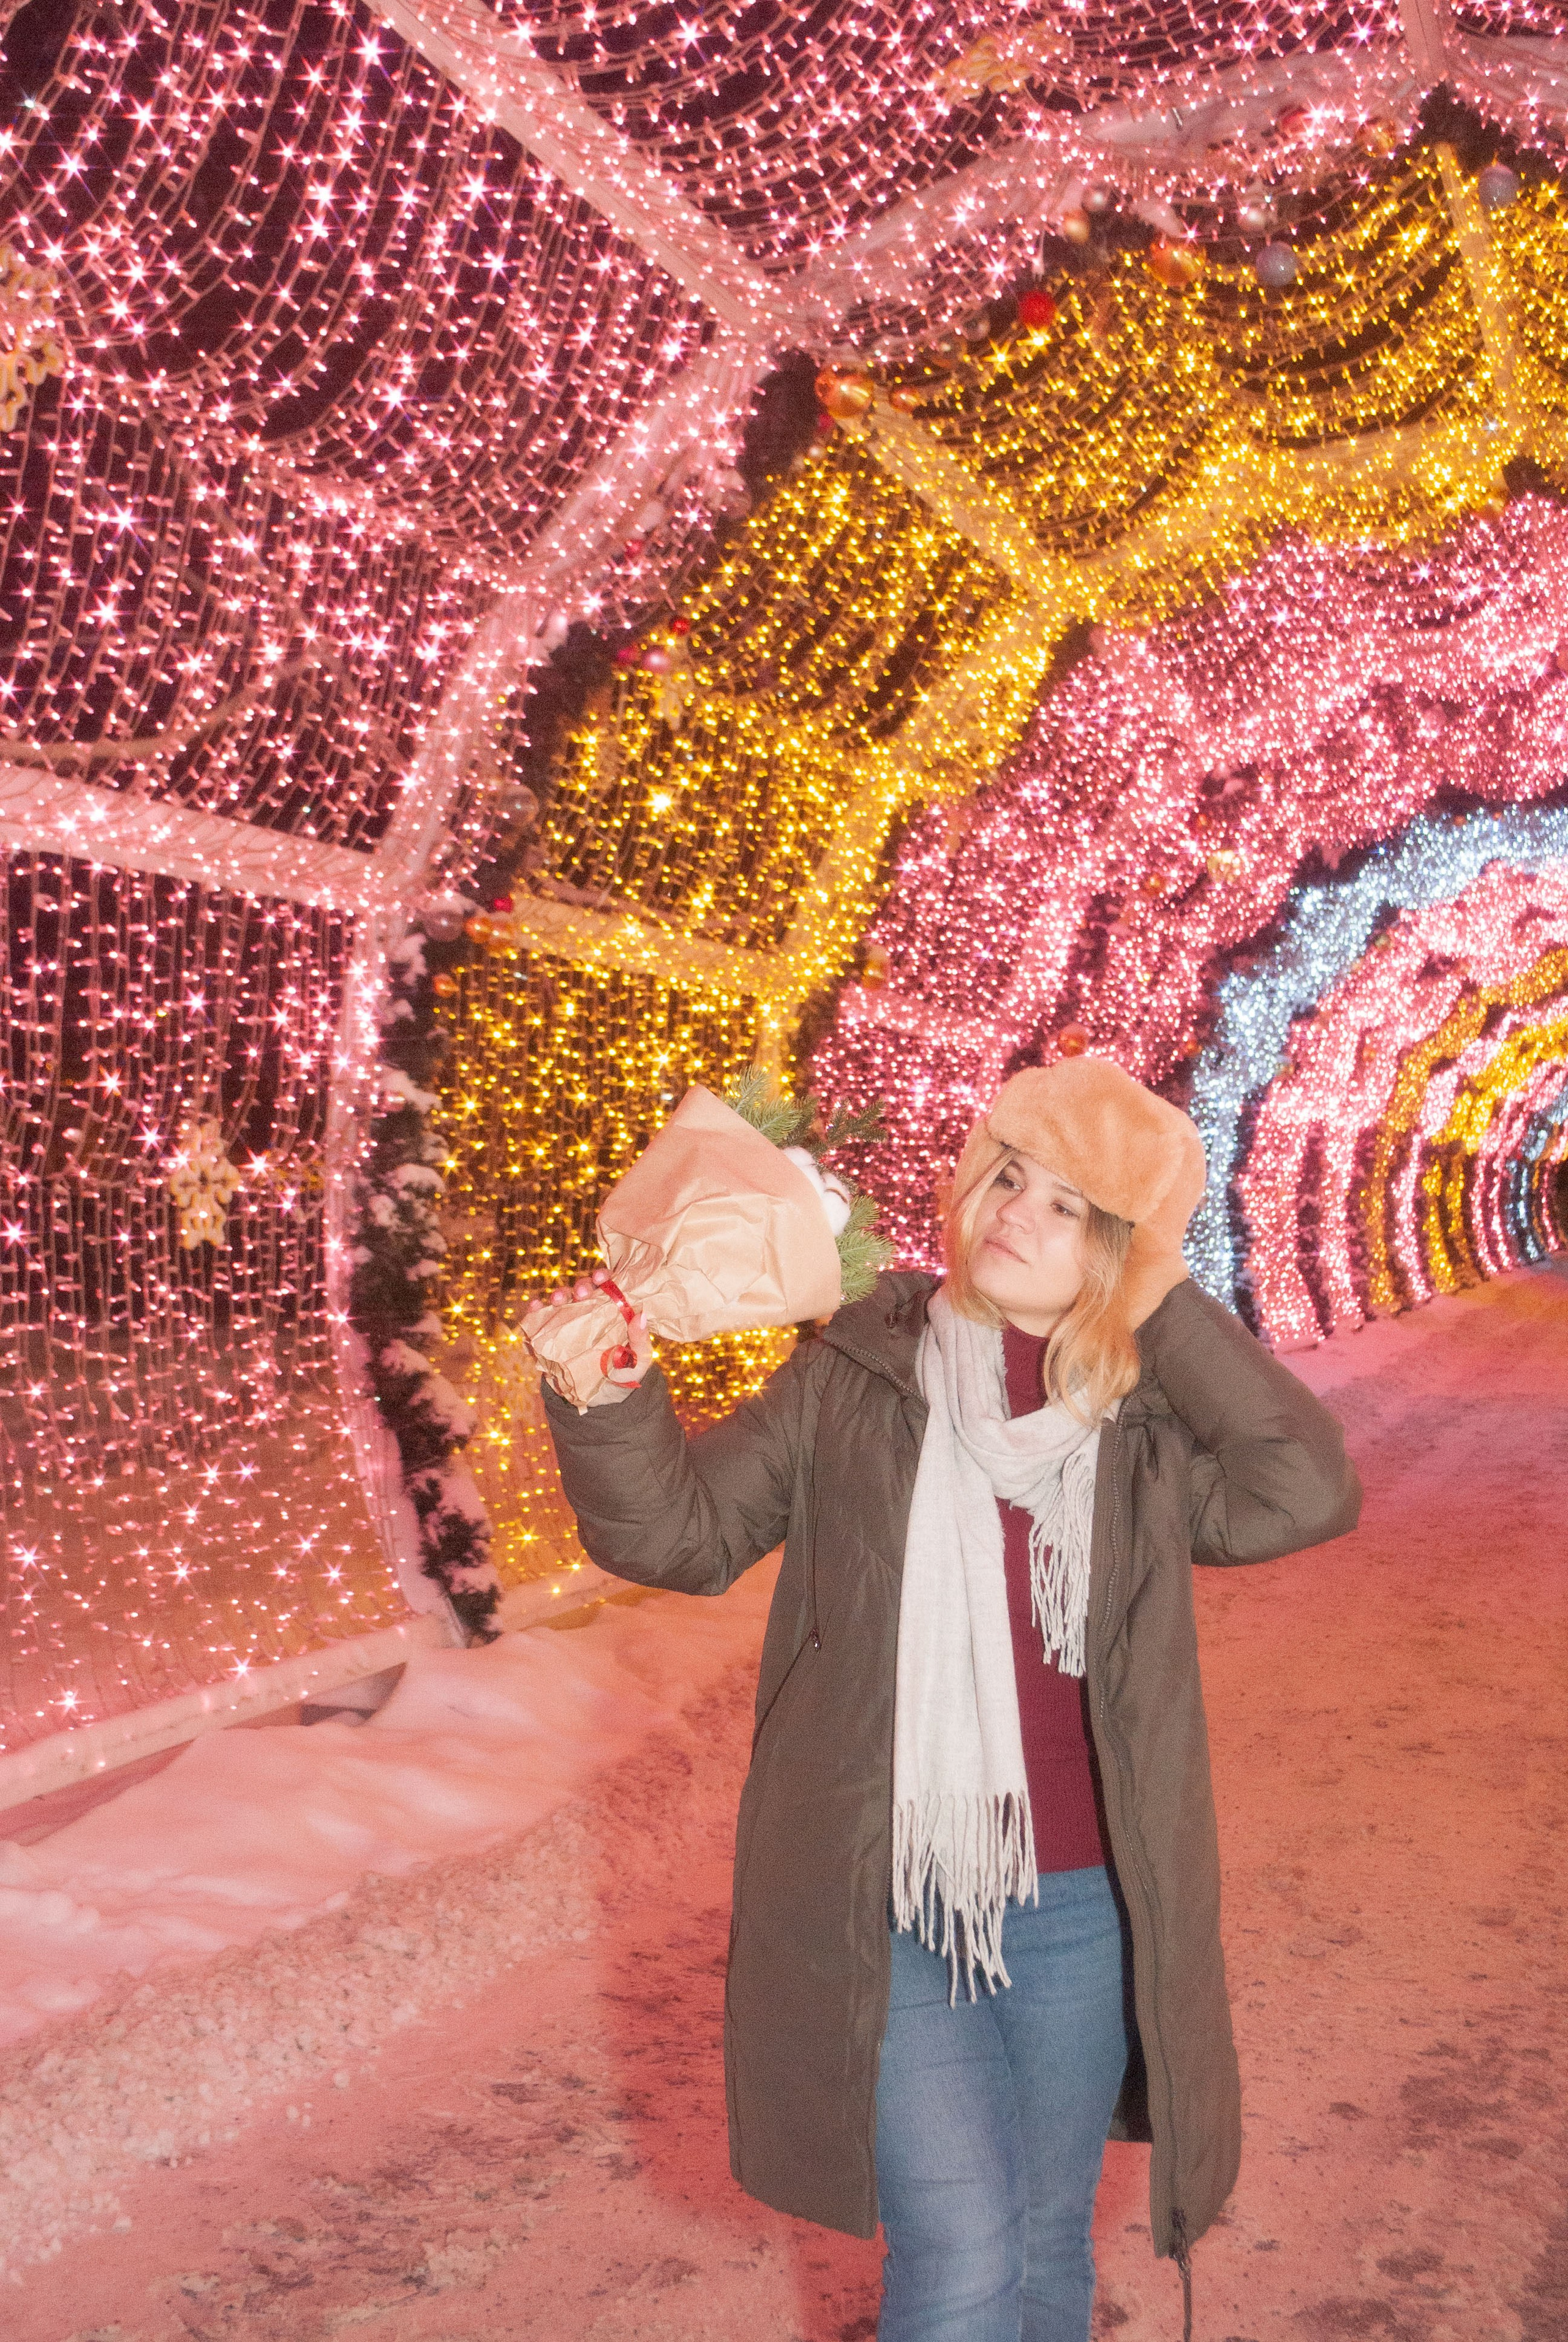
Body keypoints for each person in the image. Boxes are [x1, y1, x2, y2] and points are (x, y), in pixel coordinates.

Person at [532, 1057, 1362, 2342]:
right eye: (1006, 1175)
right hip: (892, 1894)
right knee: (964, 2250)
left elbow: (1301, 1490)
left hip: (1083, 1907)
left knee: (1041, 2250)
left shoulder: (1137, 1431)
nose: (1013, 1212)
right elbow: (681, 1538)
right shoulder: (855, 1377)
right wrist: (607, 1390)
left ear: (1123, 1251)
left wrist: (1164, 1304)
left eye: (1067, 1205)